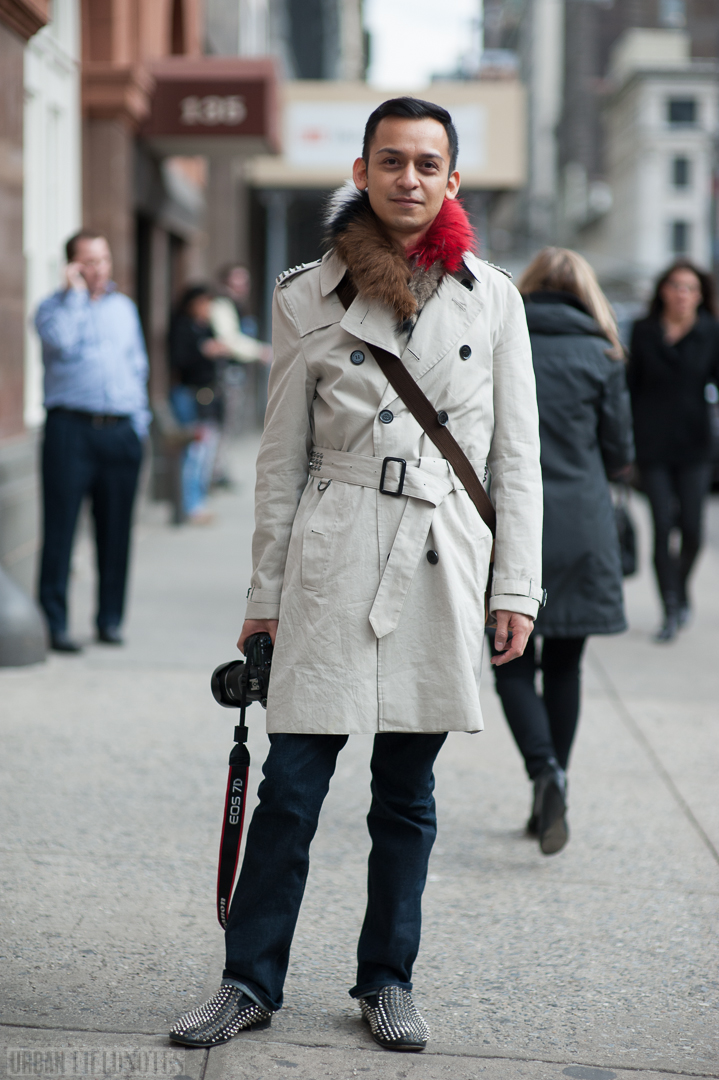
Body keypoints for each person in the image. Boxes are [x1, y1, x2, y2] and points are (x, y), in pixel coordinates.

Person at [170, 97, 543, 1053]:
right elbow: (277, 461)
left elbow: (514, 462)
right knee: (292, 786)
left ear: (451, 180)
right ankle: (248, 981)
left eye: (427, 164)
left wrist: (515, 589)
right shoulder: (308, 293)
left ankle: (387, 980)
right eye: (391, 162)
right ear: (363, 171)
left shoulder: (492, 296)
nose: (408, 179)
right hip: (330, 556)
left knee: (406, 797)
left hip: (435, 557)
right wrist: (262, 600)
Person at [489, 248, 634, 855]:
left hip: (509, 519)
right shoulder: (602, 353)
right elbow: (620, 446)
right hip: (580, 520)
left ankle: (543, 770)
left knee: (510, 658)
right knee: (567, 663)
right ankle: (554, 785)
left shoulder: (503, 337)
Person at [35, 231, 150, 652]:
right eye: (88, 261)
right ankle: (54, 624)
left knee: (117, 532)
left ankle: (110, 620)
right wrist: (74, 295)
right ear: (72, 266)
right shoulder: (52, 308)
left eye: (103, 259)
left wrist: (139, 424)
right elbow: (60, 343)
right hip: (70, 430)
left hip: (121, 432)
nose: (99, 268)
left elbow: (137, 366)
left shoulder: (124, 309)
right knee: (61, 530)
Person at [628, 260, 719, 642]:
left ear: (700, 296)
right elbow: (630, 389)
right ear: (663, 291)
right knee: (663, 526)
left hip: (696, 446)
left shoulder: (711, 333)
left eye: (690, 288)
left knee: (694, 532)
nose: (682, 294)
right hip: (652, 447)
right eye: (676, 286)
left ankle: (681, 590)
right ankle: (670, 608)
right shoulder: (643, 332)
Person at [168, 285, 232, 524]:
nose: (207, 309)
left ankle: (198, 502)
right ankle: (190, 505)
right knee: (193, 453)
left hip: (208, 398)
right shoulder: (183, 328)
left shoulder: (207, 327)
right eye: (203, 303)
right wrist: (203, 351)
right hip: (189, 396)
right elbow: (179, 361)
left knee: (205, 452)